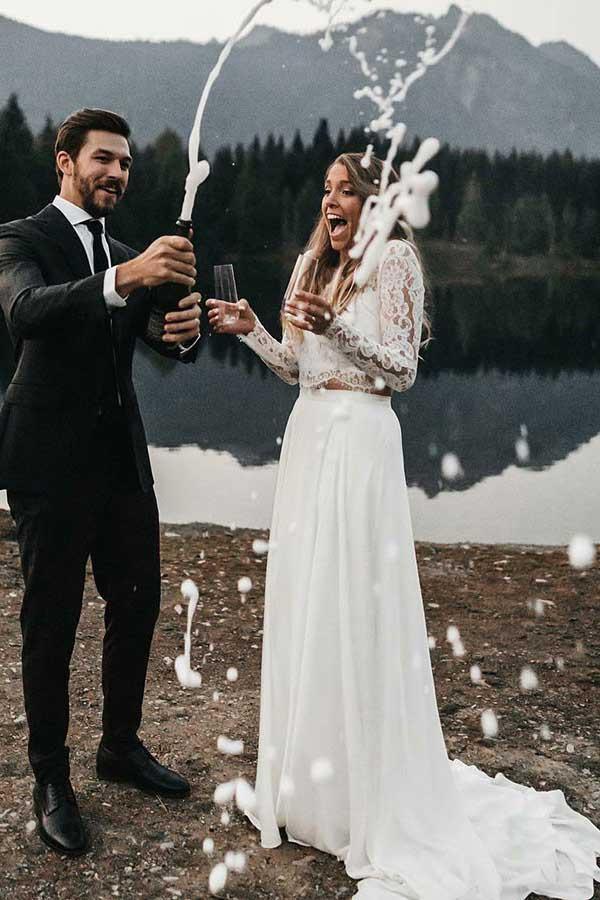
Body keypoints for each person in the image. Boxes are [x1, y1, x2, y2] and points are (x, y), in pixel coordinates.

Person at [207, 153, 600, 899]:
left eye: (347, 190)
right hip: (311, 441)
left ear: (377, 202)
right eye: (326, 189)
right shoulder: (309, 264)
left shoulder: (394, 261)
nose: (332, 201)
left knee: (356, 603)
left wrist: (341, 331)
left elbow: (400, 370)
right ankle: (309, 789)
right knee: (310, 603)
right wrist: (252, 327)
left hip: (361, 444)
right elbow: (297, 367)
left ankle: (369, 792)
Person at [0, 108, 201, 857]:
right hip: (47, 459)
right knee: (49, 621)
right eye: (103, 159)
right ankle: (50, 778)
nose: (117, 172)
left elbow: (157, 338)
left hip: (121, 459)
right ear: (65, 162)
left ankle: (119, 747)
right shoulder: (22, 239)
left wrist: (180, 334)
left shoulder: (122, 249)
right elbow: (25, 313)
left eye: (125, 164)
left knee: (139, 599)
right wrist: (126, 277)